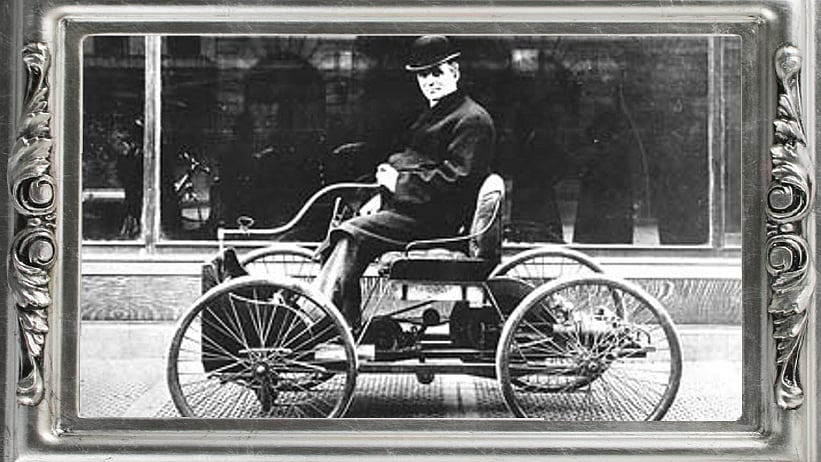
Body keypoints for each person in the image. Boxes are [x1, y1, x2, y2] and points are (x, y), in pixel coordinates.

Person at [311, 35, 496, 333]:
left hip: (440, 224)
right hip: (418, 213)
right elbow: (412, 160)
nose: (430, 81)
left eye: (437, 72)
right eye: (423, 75)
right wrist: (383, 193)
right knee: (346, 224)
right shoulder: (438, 113)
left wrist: (398, 184)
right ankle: (338, 320)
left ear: (455, 72)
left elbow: (456, 182)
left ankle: (312, 317)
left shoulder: (471, 120)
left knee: (352, 233)